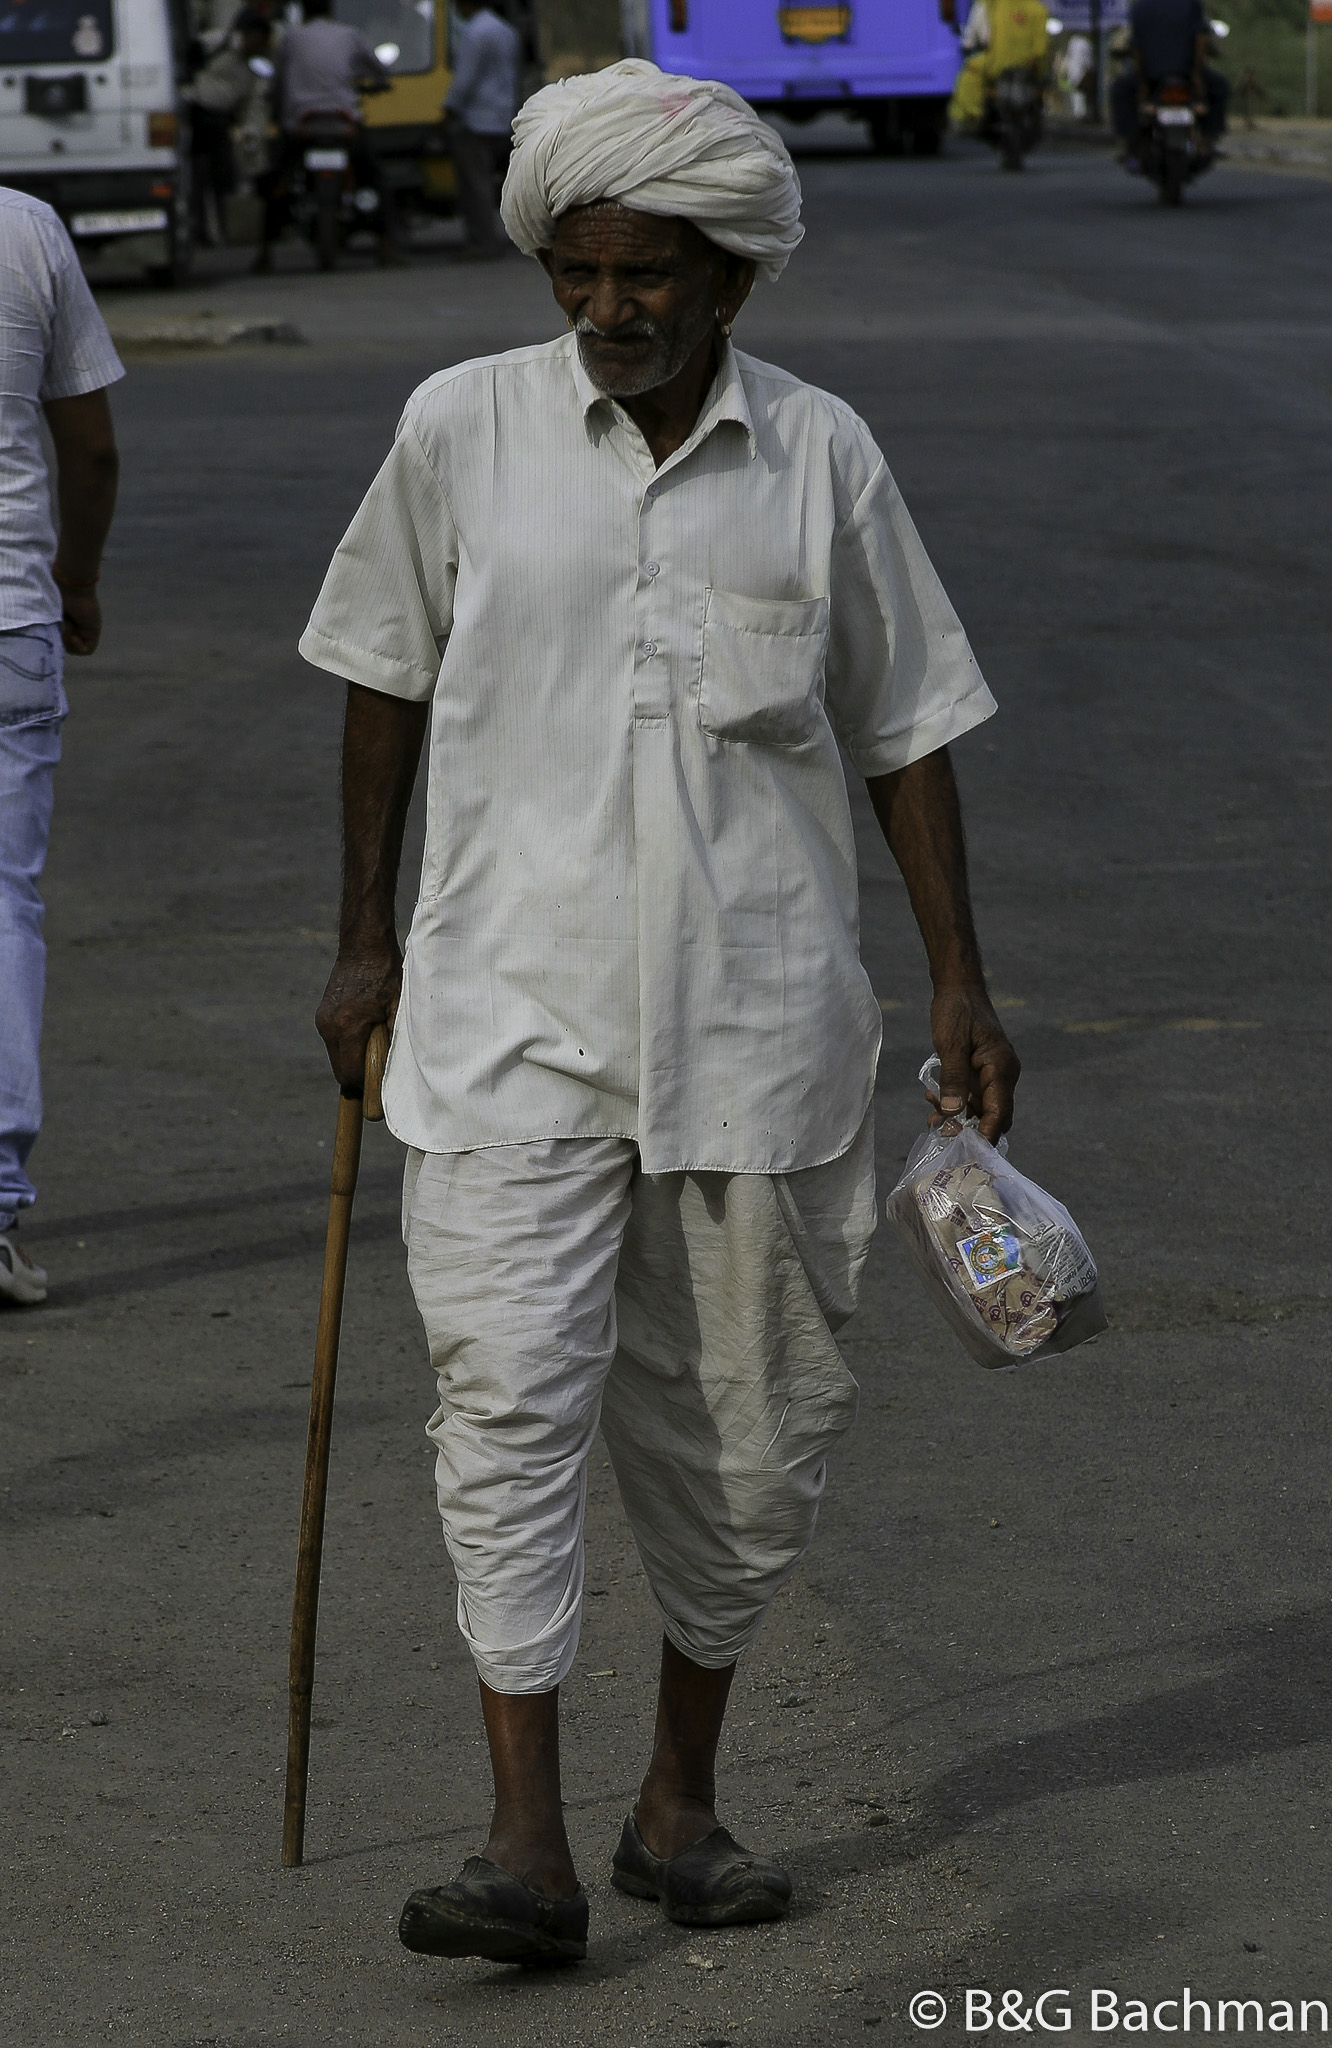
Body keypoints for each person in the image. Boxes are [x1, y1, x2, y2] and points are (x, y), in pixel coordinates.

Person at [302, 58, 1019, 1966]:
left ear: (732, 283)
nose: (607, 313)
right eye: (576, 277)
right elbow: (381, 672)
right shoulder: (461, 431)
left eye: (645, 280)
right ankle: (523, 1841)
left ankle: (673, 1802)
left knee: (754, 1439)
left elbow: (908, 724)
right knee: (504, 1405)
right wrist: (361, 939)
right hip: (501, 1017)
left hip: (760, 1037)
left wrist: (956, 968)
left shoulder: (825, 454)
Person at [0, 188, 121, 1308]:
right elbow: (88, 451)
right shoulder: (26, 229)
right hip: (9, 624)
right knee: (3, 905)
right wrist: (74, 578)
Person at [255, 0, 399, 271]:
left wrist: (276, 108)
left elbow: (276, 82)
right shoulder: (349, 34)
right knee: (375, 177)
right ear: (331, 11)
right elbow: (380, 70)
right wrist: (380, 83)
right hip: (343, 123)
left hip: (301, 125)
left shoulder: (291, 38)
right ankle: (387, 243)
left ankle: (264, 252)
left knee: (277, 183)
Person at [184, 14, 274, 244]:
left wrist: (250, 136)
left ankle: (220, 230)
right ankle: (197, 228)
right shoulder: (220, 42)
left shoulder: (254, 71)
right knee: (193, 177)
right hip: (194, 111)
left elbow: (253, 110)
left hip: (221, 122)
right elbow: (189, 51)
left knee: (221, 177)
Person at [444, 0, 521, 259]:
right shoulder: (505, 30)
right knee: (496, 182)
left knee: (475, 185)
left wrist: (449, 108)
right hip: (502, 116)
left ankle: (483, 243)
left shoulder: (474, 32)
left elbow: (465, 79)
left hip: (476, 119)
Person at [1111, 0, 1227, 151]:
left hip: (1153, 75)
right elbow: (1201, 39)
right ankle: (1209, 138)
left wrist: (1143, 83)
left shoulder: (1141, 7)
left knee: (1119, 90)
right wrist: (1197, 76)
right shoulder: (1191, 5)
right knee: (1220, 88)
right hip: (1185, 72)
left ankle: (1128, 141)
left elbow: (1136, 46)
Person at [949, 0, 1051, 131]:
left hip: (995, 65)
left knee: (970, 70)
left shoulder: (990, 4)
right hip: (1029, 67)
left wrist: (968, 44)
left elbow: (974, 36)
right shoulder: (1039, 9)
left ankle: (970, 117)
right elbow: (1041, 49)